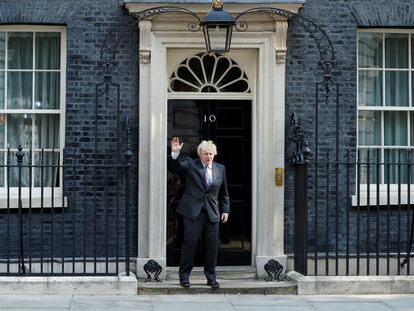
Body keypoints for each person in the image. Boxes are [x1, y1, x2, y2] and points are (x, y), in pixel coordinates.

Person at [168, 137, 230, 289]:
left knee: (212, 245)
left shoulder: (220, 169)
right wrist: (175, 153)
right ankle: (184, 276)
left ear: (214, 154)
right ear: (200, 154)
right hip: (192, 211)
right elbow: (176, 167)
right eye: (206, 154)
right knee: (190, 243)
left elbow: (224, 193)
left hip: (212, 212)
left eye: (211, 154)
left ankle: (211, 278)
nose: (208, 156)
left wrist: (225, 210)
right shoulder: (191, 164)